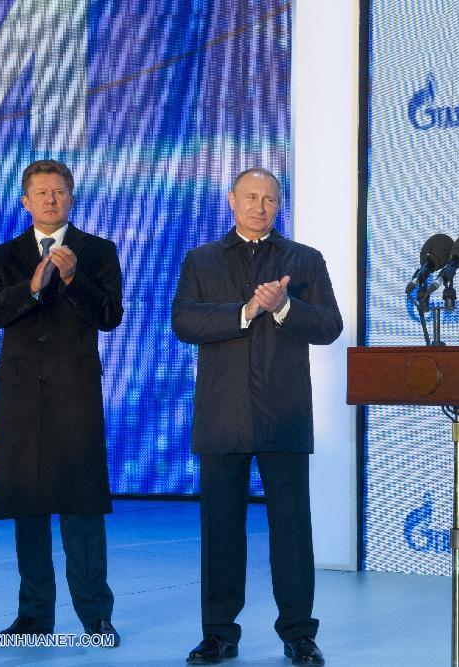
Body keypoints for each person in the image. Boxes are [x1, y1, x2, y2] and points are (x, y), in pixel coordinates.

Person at [172, 168, 342, 666]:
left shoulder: (305, 260)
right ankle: (218, 634)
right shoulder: (202, 259)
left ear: (279, 204)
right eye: (250, 197)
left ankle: (299, 634)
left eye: (269, 198)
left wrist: (286, 306)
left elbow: (330, 325)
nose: (259, 206)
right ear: (232, 200)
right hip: (222, 414)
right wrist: (245, 312)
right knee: (220, 530)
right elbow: (183, 320)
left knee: (292, 530)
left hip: (284, 413)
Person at [0, 159, 123, 645]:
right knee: (28, 508)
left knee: (82, 509)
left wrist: (74, 279)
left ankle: (96, 616)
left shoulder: (97, 251)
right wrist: (31, 287)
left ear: (71, 198)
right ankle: (34, 617)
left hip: (75, 394)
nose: (51, 199)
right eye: (41, 193)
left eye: (59, 191)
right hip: (22, 397)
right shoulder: (4, 255)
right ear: (26, 201)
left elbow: (110, 316)